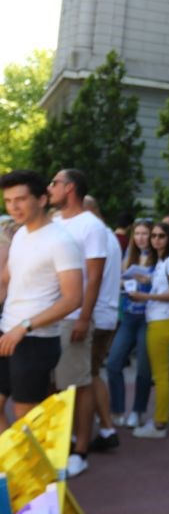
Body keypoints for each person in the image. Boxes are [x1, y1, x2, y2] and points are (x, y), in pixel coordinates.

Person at [0, 171, 83, 429]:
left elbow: (73, 298)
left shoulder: (61, 241)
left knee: (26, 416)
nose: (14, 206)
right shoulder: (21, 235)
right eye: (8, 200)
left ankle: (35, 469)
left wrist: (24, 326)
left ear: (42, 199)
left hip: (35, 340)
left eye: (21, 199)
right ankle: (9, 466)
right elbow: (6, 280)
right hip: (7, 332)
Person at [47, 168, 112, 477]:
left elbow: (94, 275)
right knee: (51, 386)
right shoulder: (53, 223)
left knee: (79, 384)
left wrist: (84, 318)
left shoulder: (91, 225)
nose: (49, 188)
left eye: (54, 183)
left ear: (69, 188)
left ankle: (81, 450)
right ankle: (64, 441)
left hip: (72, 317)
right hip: (45, 318)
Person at [76, 197, 125, 455]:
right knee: (93, 373)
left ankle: (101, 429)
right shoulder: (109, 236)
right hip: (105, 314)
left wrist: (82, 316)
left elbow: (90, 279)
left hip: (96, 315)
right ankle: (106, 428)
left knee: (86, 377)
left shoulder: (97, 236)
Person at [129, 221, 169, 439]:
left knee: (160, 376)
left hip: (162, 321)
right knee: (159, 374)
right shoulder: (162, 260)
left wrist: (146, 296)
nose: (156, 240)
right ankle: (159, 420)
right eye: (153, 236)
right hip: (156, 319)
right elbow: (163, 284)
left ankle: (160, 424)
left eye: (161, 236)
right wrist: (147, 279)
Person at [106, 219, 154, 429]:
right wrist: (125, 282)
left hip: (148, 317)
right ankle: (117, 410)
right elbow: (117, 280)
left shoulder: (160, 258)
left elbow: (168, 287)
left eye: (145, 234)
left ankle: (137, 411)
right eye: (138, 233)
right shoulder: (129, 256)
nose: (141, 238)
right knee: (113, 363)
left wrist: (148, 281)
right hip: (128, 315)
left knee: (143, 367)